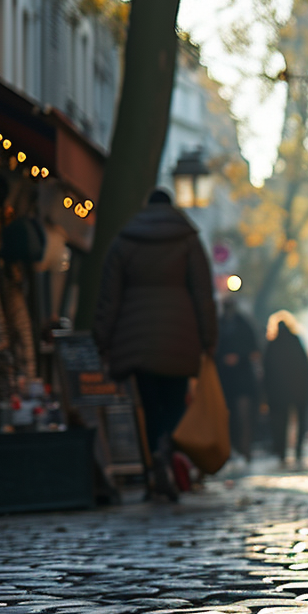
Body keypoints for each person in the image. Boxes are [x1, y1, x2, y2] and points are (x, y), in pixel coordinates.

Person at [93, 188, 217, 500]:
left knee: (149, 406)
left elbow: (110, 297)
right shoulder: (188, 240)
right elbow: (203, 294)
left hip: (136, 340)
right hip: (180, 336)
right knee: (175, 403)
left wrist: (102, 339)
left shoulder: (125, 241)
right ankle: (166, 448)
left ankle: (153, 468)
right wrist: (209, 338)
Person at [263, 311, 308, 465]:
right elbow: (305, 366)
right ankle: (297, 450)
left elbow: (266, 370)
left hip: (277, 391)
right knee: (299, 421)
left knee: (279, 422)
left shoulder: (272, 344)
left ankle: (281, 451)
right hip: (298, 390)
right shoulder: (296, 341)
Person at [216, 298, 260, 464]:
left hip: (241, 380)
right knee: (228, 417)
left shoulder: (244, 325)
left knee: (243, 417)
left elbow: (254, 349)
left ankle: (244, 448)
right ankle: (230, 449)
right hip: (225, 380)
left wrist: (239, 357)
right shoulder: (221, 324)